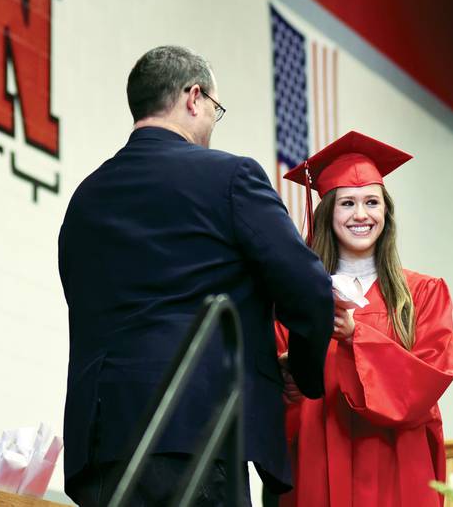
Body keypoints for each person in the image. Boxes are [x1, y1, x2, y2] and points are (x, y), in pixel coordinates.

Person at [58, 46, 334, 506]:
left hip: (100, 444)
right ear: (194, 96)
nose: (211, 120)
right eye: (214, 109)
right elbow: (307, 289)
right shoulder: (229, 176)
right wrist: (302, 373)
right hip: (196, 433)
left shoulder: (86, 197)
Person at [274, 131, 453, 507]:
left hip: (399, 464)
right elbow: (280, 397)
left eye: (372, 202)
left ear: (386, 213)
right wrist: (283, 376)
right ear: (327, 213)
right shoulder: (297, 302)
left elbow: (428, 382)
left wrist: (357, 337)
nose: (361, 214)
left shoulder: (423, 294)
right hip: (320, 458)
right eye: (347, 203)